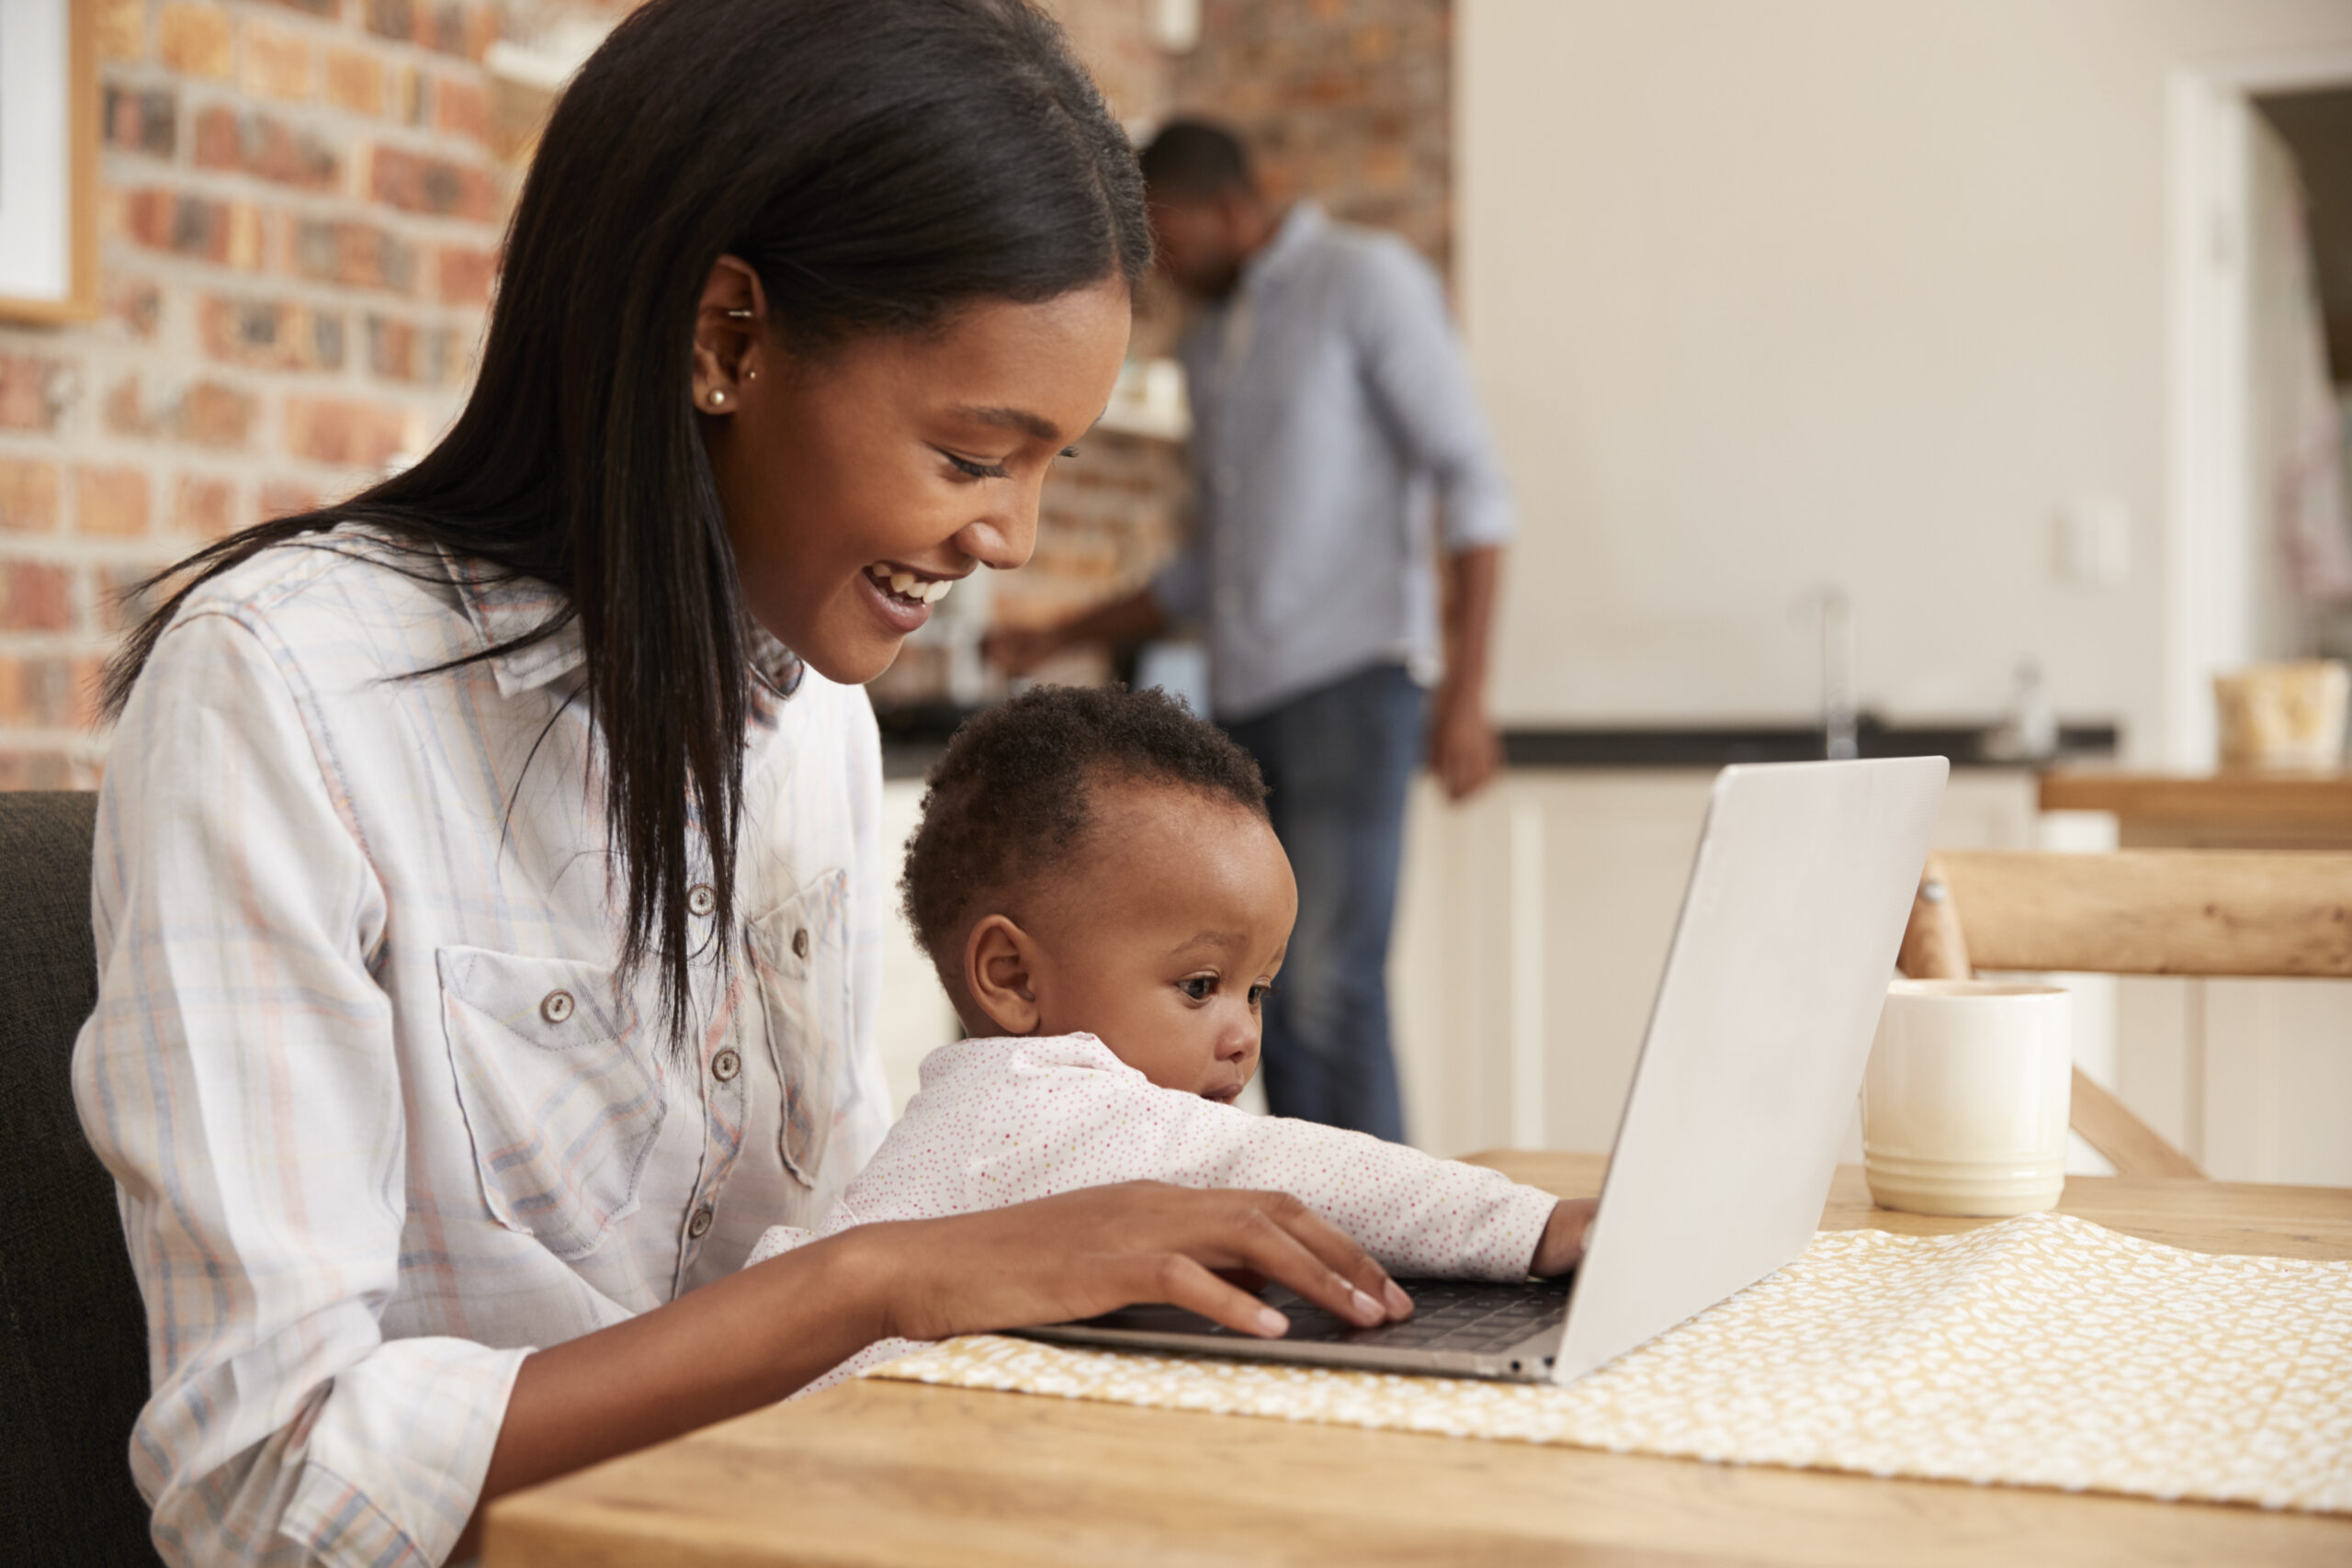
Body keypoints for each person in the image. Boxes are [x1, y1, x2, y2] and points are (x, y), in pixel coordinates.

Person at [69, 6, 1421, 1563]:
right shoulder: (288, 688)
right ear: (727, 339)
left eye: (1051, 464)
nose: (1018, 540)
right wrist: (882, 1279)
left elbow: (819, 1283)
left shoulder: (811, 721)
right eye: (979, 454)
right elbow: (266, 1490)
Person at [745, 685, 1593, 1390]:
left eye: (1257, 991)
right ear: (1011, 977)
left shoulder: (982, 1100)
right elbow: (1306, 1172)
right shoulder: (1045, 1099)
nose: (1243, 1037)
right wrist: (1538, 1225)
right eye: (1200, 987)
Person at [989, 118, 1516, 1143]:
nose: (1162, 272)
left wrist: (1467, 695)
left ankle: (1387, 1252)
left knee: (1328, 988)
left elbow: (1477, 489)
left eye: (1168, 242)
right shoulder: (1210, 343)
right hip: (1249, 708)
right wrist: (1051, 634)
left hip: (1355, 686)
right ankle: (1309, 1234)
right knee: (1258, 998)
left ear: (1223, 209)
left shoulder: (1365, 283)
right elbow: (1209, 569)